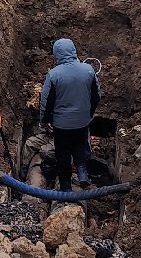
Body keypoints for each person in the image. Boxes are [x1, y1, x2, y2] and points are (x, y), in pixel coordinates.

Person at [38, 38, 100, 191]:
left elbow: (46, 101)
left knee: (63, 154)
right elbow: (96, 96)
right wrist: (88, 113)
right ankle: (83, 174)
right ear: (73, 51)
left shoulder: (53, 75)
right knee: (80, 146)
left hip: (62, 125)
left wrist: (45, 121)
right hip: (82, 121)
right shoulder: (88, 70)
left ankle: (65, 188)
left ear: (56, 55)